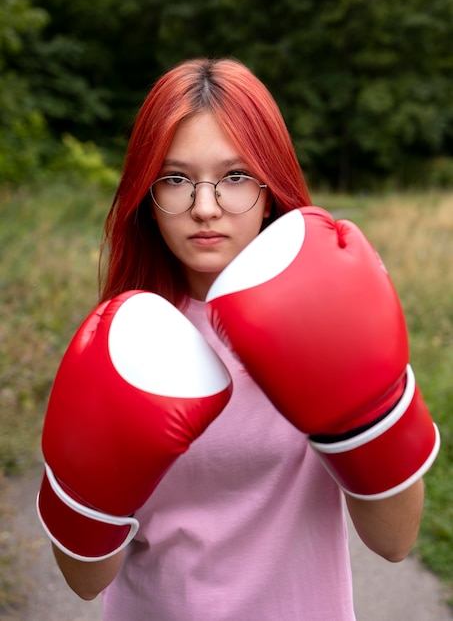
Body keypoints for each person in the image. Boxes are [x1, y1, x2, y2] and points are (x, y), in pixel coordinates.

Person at [38, 58, 437, 620]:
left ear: (269, 185)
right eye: (175, 179)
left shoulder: (324, 308)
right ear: (146, 198)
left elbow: (395, 542)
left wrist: (368, 411)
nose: (205, 207)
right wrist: (89, 492)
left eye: (234, 177)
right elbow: (83, 580)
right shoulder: (125, 342)